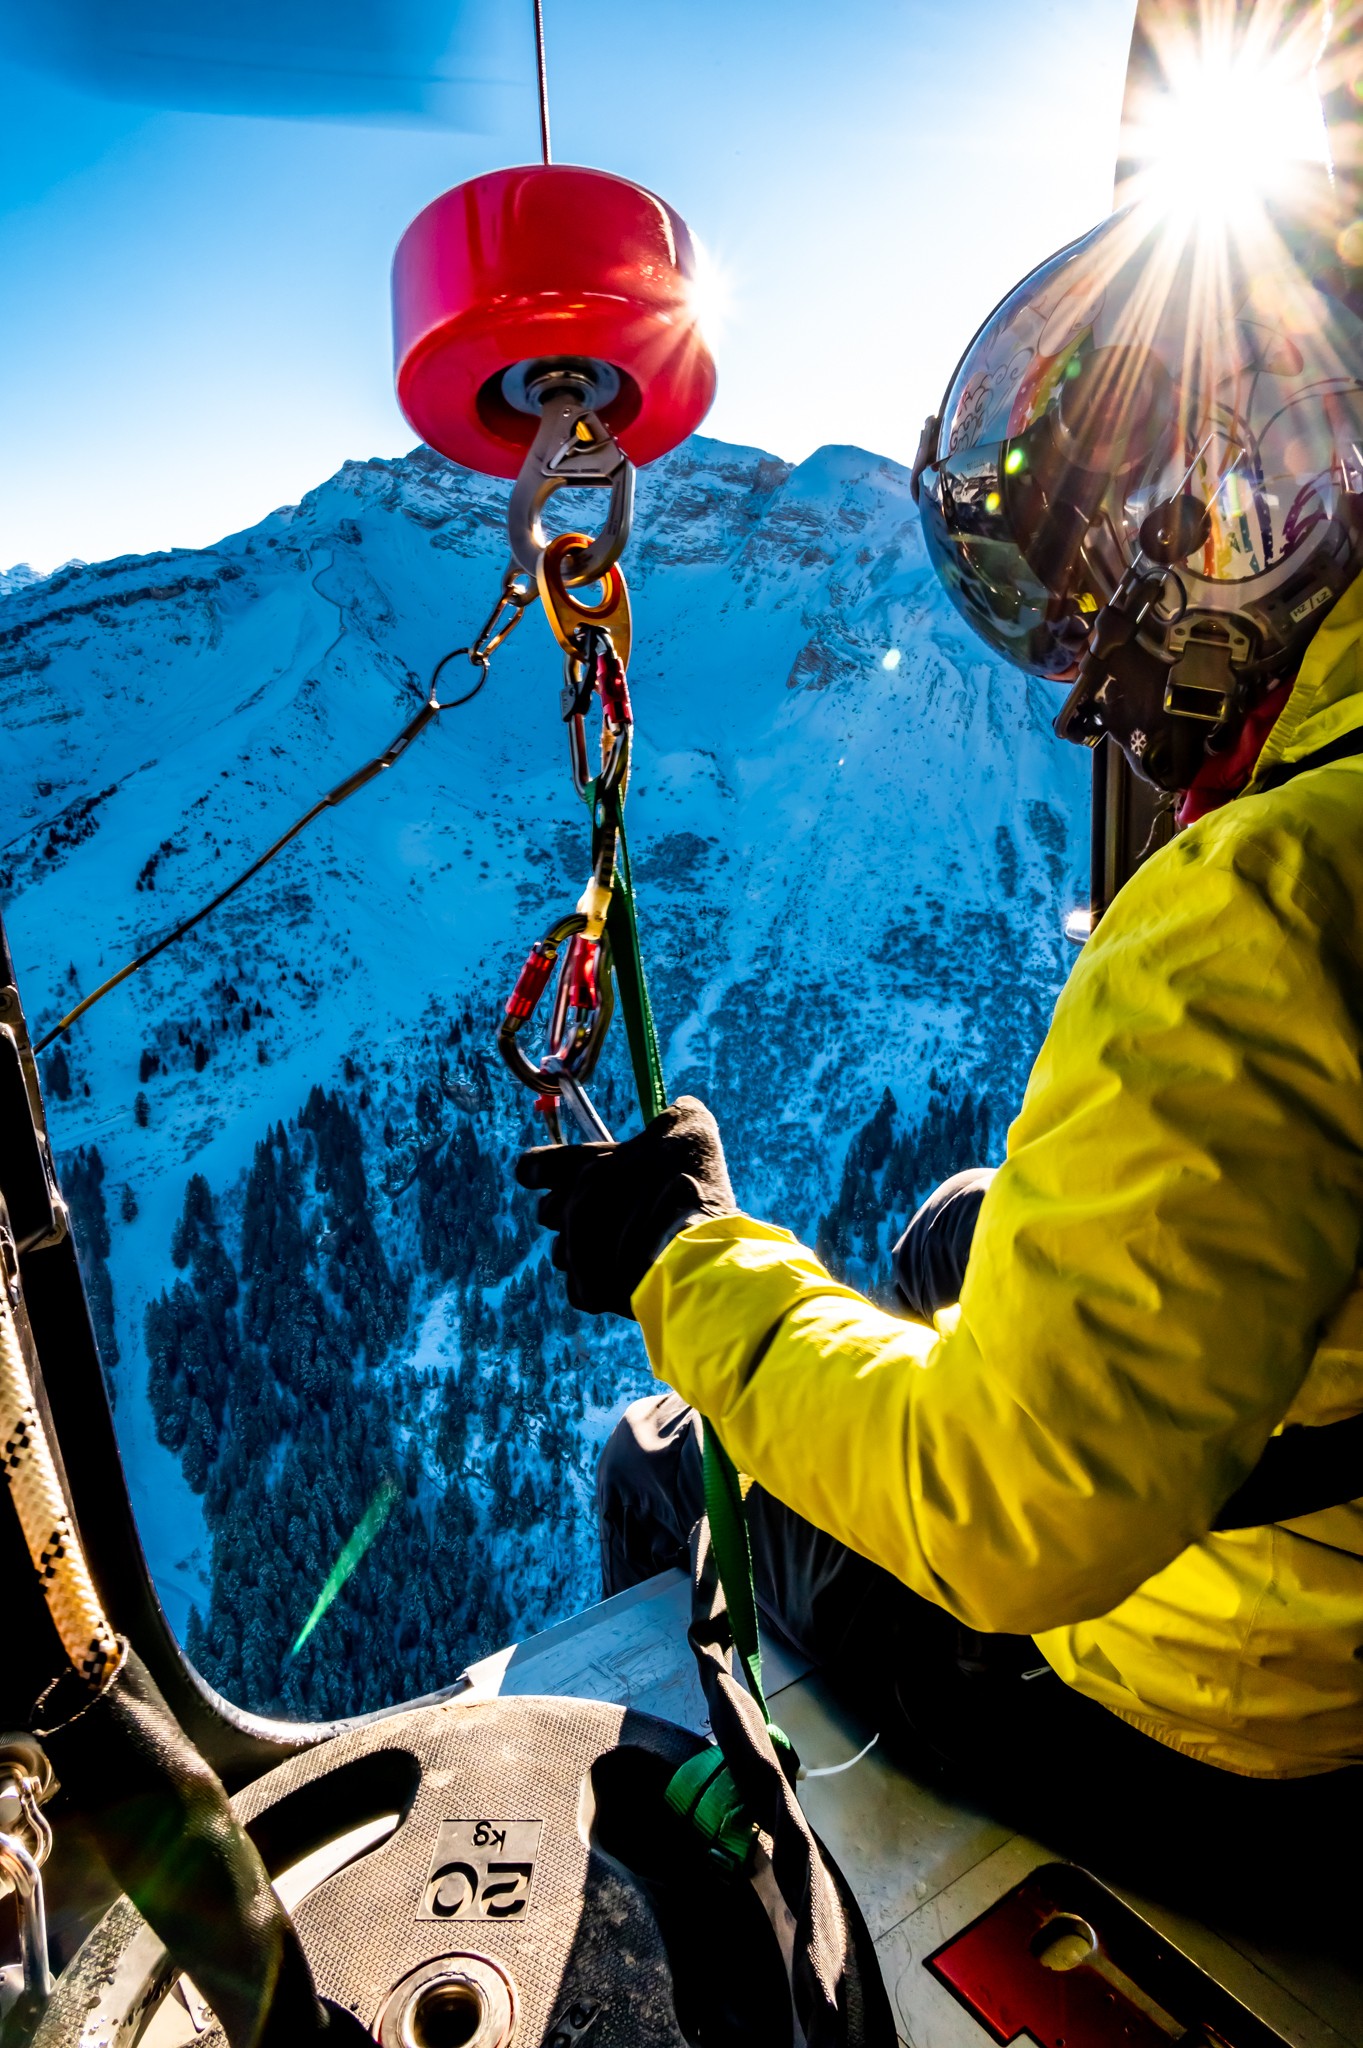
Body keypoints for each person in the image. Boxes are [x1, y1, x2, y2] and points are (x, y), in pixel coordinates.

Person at [519, 167, 1363, 1916]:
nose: (1078, 687)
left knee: (662, 1457)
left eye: (1090, 602)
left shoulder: (1263, 912)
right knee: (949, 1229)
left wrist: (682, 1258)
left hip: (1247, 1735)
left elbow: (1005, 1513)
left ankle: (725, 1906)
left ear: (1243, 533)